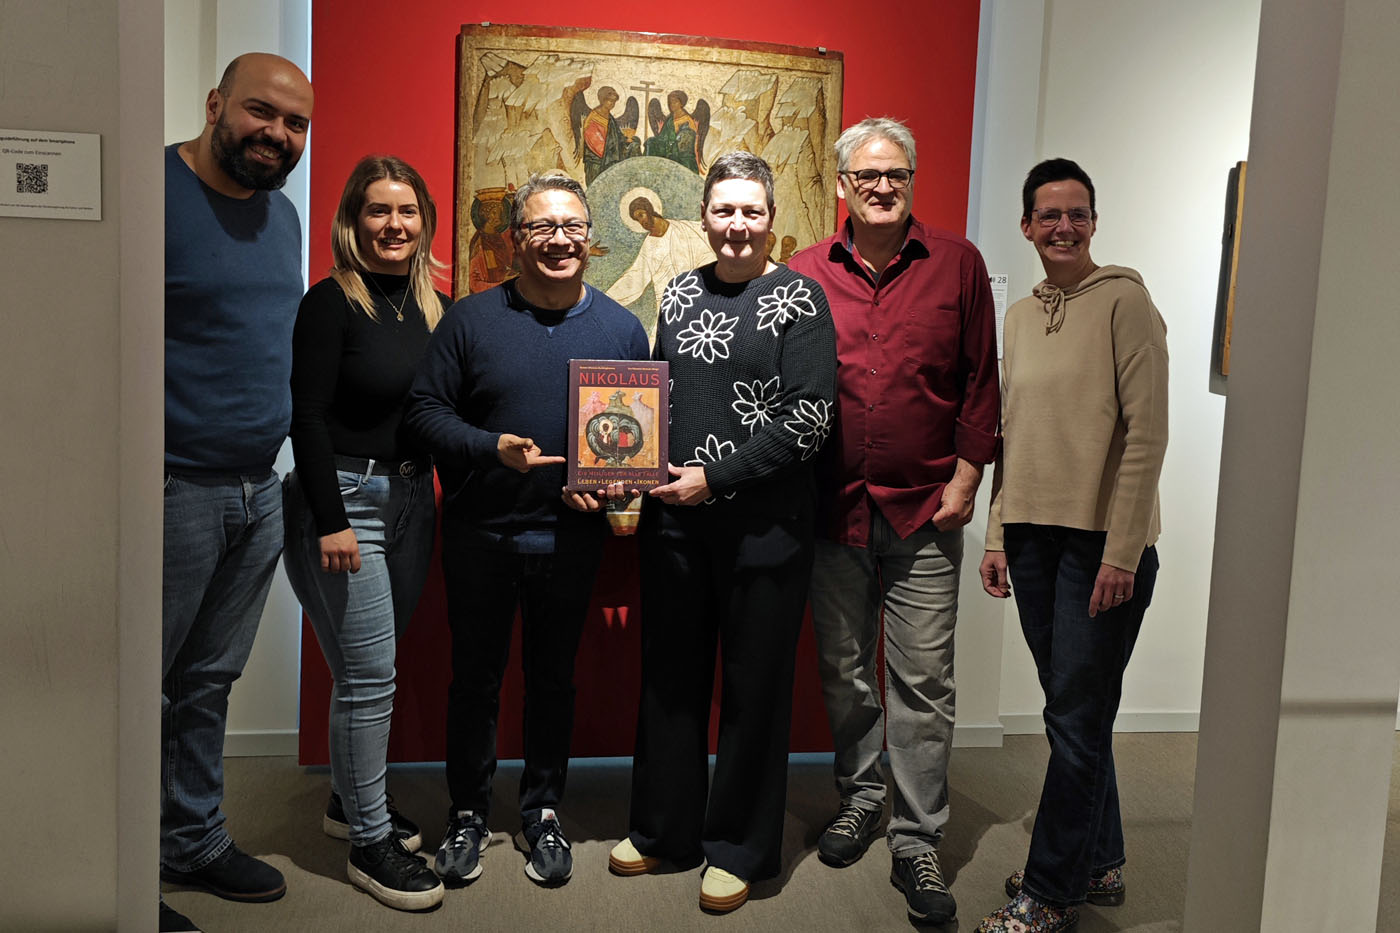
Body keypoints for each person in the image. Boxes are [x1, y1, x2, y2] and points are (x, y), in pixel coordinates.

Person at [606, 152, 837, 914]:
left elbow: (808, 420)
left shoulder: (800, 300)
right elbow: (655, 398)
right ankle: (664, 828)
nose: (737, 226)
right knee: (670, 679)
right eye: (724, 211)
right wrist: (626, 465)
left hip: (765, 528)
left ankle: (737, 845)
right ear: (702, 218)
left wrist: (718, 476)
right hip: (677, 523)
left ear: (773, 221)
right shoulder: (675, 293)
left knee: (754, 687)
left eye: (752, 212)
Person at [406, 173, 649, 889]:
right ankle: (467, 812)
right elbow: (424, 413)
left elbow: (634, 441)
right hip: (480, 535)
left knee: (554, 679)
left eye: (572, 226)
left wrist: (608, 490)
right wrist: (491, 447)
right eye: (542, 227)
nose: (559, 240)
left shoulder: (620, 327)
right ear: (516, 239)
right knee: (474, 681)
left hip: (570, 542)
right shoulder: (470, 320)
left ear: (591, 238)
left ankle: (543, 808)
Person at [786, 116, 1000, 926]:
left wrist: (970, 475)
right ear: (842, 185)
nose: (882, 187)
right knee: (843, 669)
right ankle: (862, 793)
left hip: (926, 508)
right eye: (868, 175)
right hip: (831, 506)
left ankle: (917, 836)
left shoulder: (959, 265)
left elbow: (982, 379)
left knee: (924, 681)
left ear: (912, 181)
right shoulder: (805, 271)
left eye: (897, 175)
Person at [975, 159, 1168, 933]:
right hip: (1030, 538)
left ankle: (1050, 892)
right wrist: (995, 532)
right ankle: (1102, 857)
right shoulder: (1021, 316)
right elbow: (1008, 434)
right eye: (1048, 215)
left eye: (1076, 213)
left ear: (1094, 221)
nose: (1063, 227)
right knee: (1074, 712)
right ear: (1026, 226)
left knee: (1075, 721)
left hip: (1099, 547)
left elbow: (1147, 435)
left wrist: (1123, 551)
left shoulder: (1126, 301)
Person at [160, 52, 313, 932]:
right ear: (216, 103)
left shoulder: (281, 215)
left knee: (206, 680)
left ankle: (192, 839)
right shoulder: (153, 195)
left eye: (295, 125)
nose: (278, 135)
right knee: (139, 684)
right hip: (173, 485)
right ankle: (110, 857)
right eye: (262, 113)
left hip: (261, 487)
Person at [281, 156, 449, 911]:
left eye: (407, 211)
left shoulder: (435, 306)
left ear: (425, 222)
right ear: (353, 222)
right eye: (377, 211)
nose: (393, 225)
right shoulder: (330, 303)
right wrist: (332, 519)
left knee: (365, 670)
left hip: (415, 497)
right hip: (347, 499)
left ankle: (349, 803)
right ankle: (371, 845)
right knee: (372, 677)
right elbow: (307, 417)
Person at [604, 196, 714, 315]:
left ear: (649, 210)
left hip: (699, 297)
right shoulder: (649, 246)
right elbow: (634, 278)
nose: (642, 222)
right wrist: (605, 299)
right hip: (670, 307)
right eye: (637, 220)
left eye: (641, 215)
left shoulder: (685, 229)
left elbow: (710, 246)